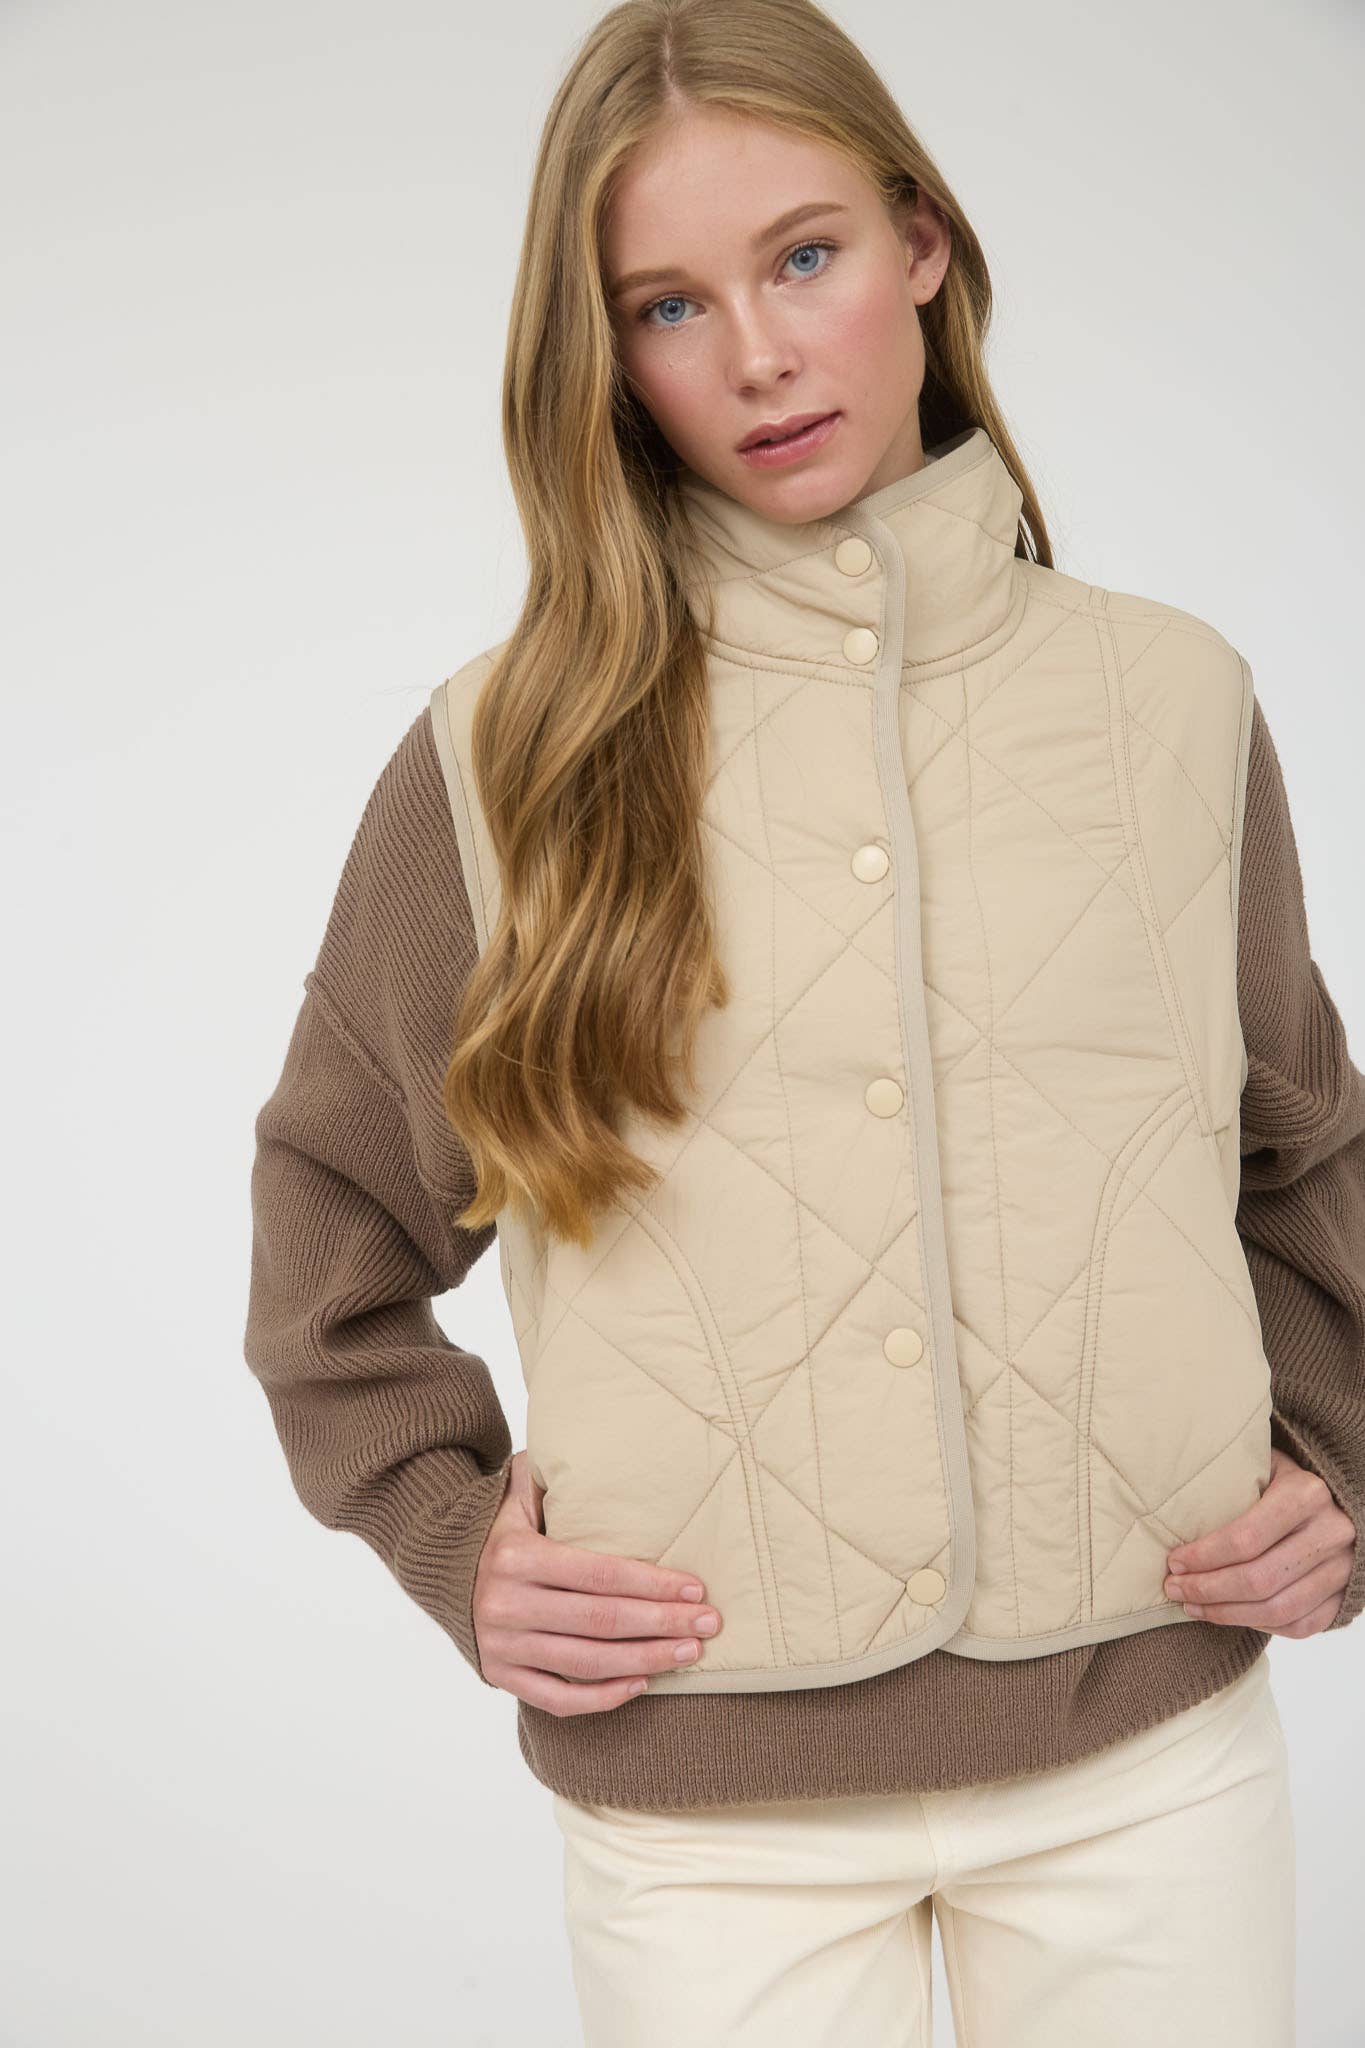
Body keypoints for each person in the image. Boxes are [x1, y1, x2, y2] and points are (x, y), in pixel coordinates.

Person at [242, 1, 1365, 2039]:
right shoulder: (501, 758)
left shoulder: (1172, 702)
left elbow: (1299, 1148)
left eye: (804, 256)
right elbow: (333, 1221)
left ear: (920, 243)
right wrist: (444, 1530)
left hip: (1147, 1755)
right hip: (705, 1807)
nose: (754, 353)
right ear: (604, 357)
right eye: (666, 306)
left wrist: (1339, 1461)